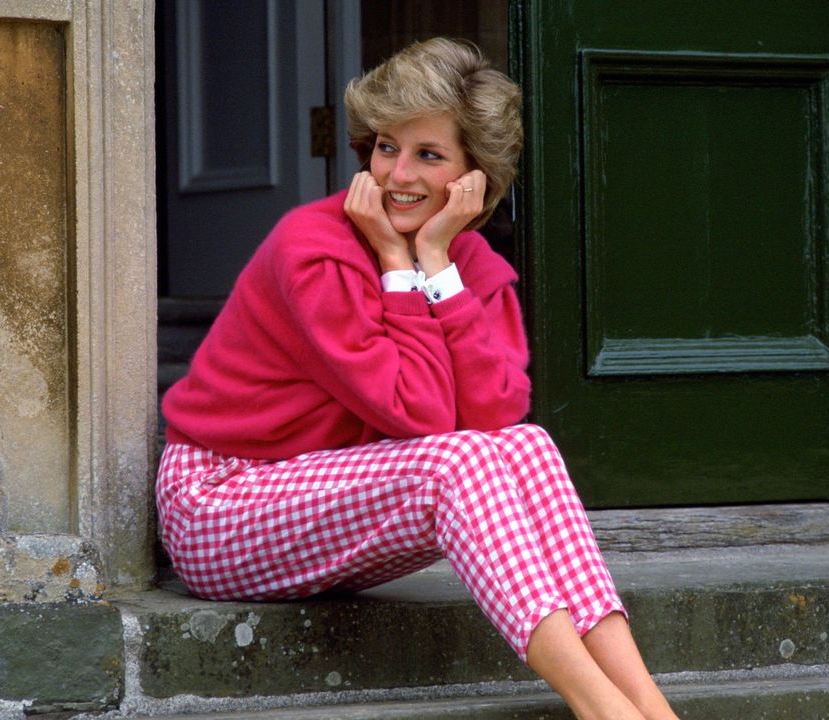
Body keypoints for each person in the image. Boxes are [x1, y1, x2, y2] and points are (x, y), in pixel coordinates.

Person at [156, 37, 681, 720]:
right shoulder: (312, 250)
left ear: (474, 177)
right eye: (384, 147)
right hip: (221, 504)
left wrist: (435, 260)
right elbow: (423, 414)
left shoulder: (469, 267)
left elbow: (497, 414)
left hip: (331, 500)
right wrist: (399, 265)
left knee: (528, 447)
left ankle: (651, 709)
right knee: (455, 462)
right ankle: (599, 710)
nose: (396, 174)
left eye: (428, 155)